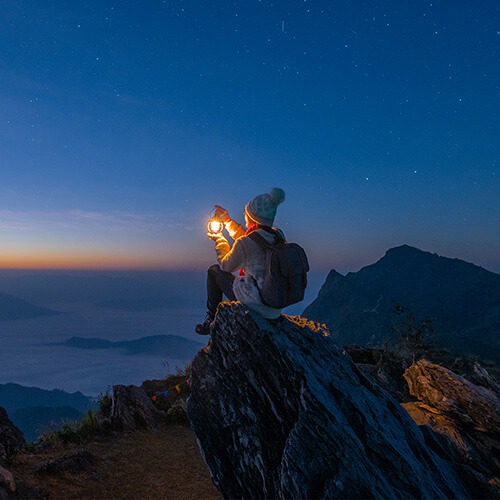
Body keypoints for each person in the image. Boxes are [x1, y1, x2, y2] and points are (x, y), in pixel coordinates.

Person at [195, 187, 286, 335]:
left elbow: (226, 266)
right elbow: (250, 240)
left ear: (251, 217)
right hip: (274, 306)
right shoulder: (278, 235)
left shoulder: (247, 242)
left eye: (246, 214)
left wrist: (220, 239)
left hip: (256, 304)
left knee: (214, 271)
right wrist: (227, 221)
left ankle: (211, 321)